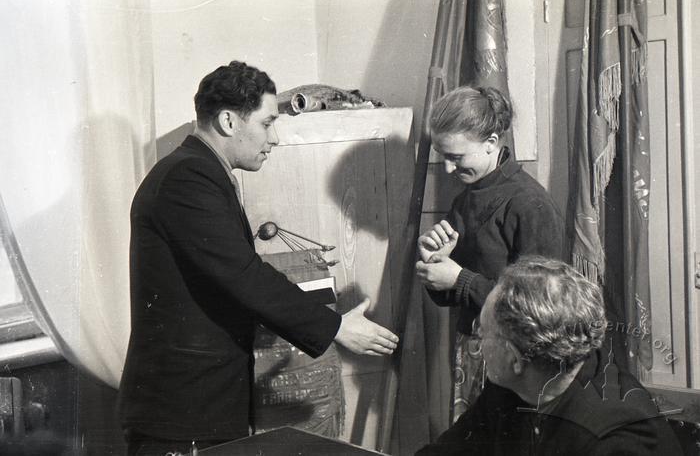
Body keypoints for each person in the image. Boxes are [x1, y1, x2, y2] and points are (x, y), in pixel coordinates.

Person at [117, 61, 399, 455]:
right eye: (267, 123)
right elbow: (244, 275)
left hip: (201, 404)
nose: (275, 138)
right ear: (230, 122)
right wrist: (334, 326)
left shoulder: (199, 172)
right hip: (183, 414)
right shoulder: (188, 179)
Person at [416, 256, 683, 455]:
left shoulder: (616, 437)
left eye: (482, 331)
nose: (478, 340)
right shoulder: (509, 389)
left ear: (515, 359)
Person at [415, 85, 564, 414]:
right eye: (444, 157)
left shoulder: (530, 204)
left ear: (491, 143)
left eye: (456, 158)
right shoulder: (464, 199)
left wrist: (460, 279)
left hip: (518, 362)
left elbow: (541, 306)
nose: (449, 169)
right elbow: (453, 293)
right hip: (471, 351)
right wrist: (436, 266)